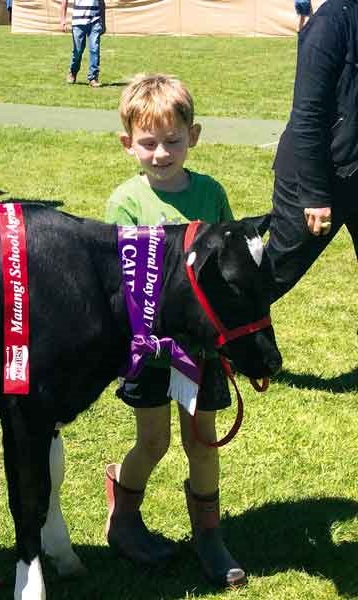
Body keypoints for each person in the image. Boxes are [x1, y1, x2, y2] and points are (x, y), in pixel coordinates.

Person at [104, 74, 246, 588]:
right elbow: (119, 284)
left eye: (173, 141)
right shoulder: (124, 203)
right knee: (154, 441)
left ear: (195, 136)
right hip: (149, 351)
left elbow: (229, 265)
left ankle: (208, 536)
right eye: (148, 143)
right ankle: (122, 518)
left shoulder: (211, 194)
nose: (161, 153)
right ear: (128, 144)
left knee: (202, 442)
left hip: (203, 350)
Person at [268, 0, 358, 302]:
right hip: (314, 176)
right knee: (270, 278)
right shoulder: (331, 23)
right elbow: (307, 115)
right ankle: (198, 338)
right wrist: (316, 195)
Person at [59, 0, 105, 88]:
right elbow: (64, 1)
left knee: (94, 49)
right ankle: (73, 72)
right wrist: (62, 20)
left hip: (95, 21)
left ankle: (93, 78)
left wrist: (103, 23)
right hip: (78, 22)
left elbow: (102, 2)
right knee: (78, 51)